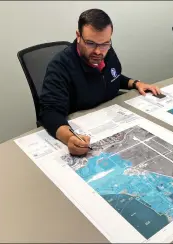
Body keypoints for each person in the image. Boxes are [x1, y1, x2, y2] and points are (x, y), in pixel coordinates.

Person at [39, 9, 161, 156]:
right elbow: (50, 112)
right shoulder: (60, 66)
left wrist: (135, 83)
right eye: (90, 43)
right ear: (78, 36)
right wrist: (70, 138)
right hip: (83, 131)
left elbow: (112, 77)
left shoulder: (107, 52)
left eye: (104, 43)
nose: (98, 51)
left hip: (110, 123)